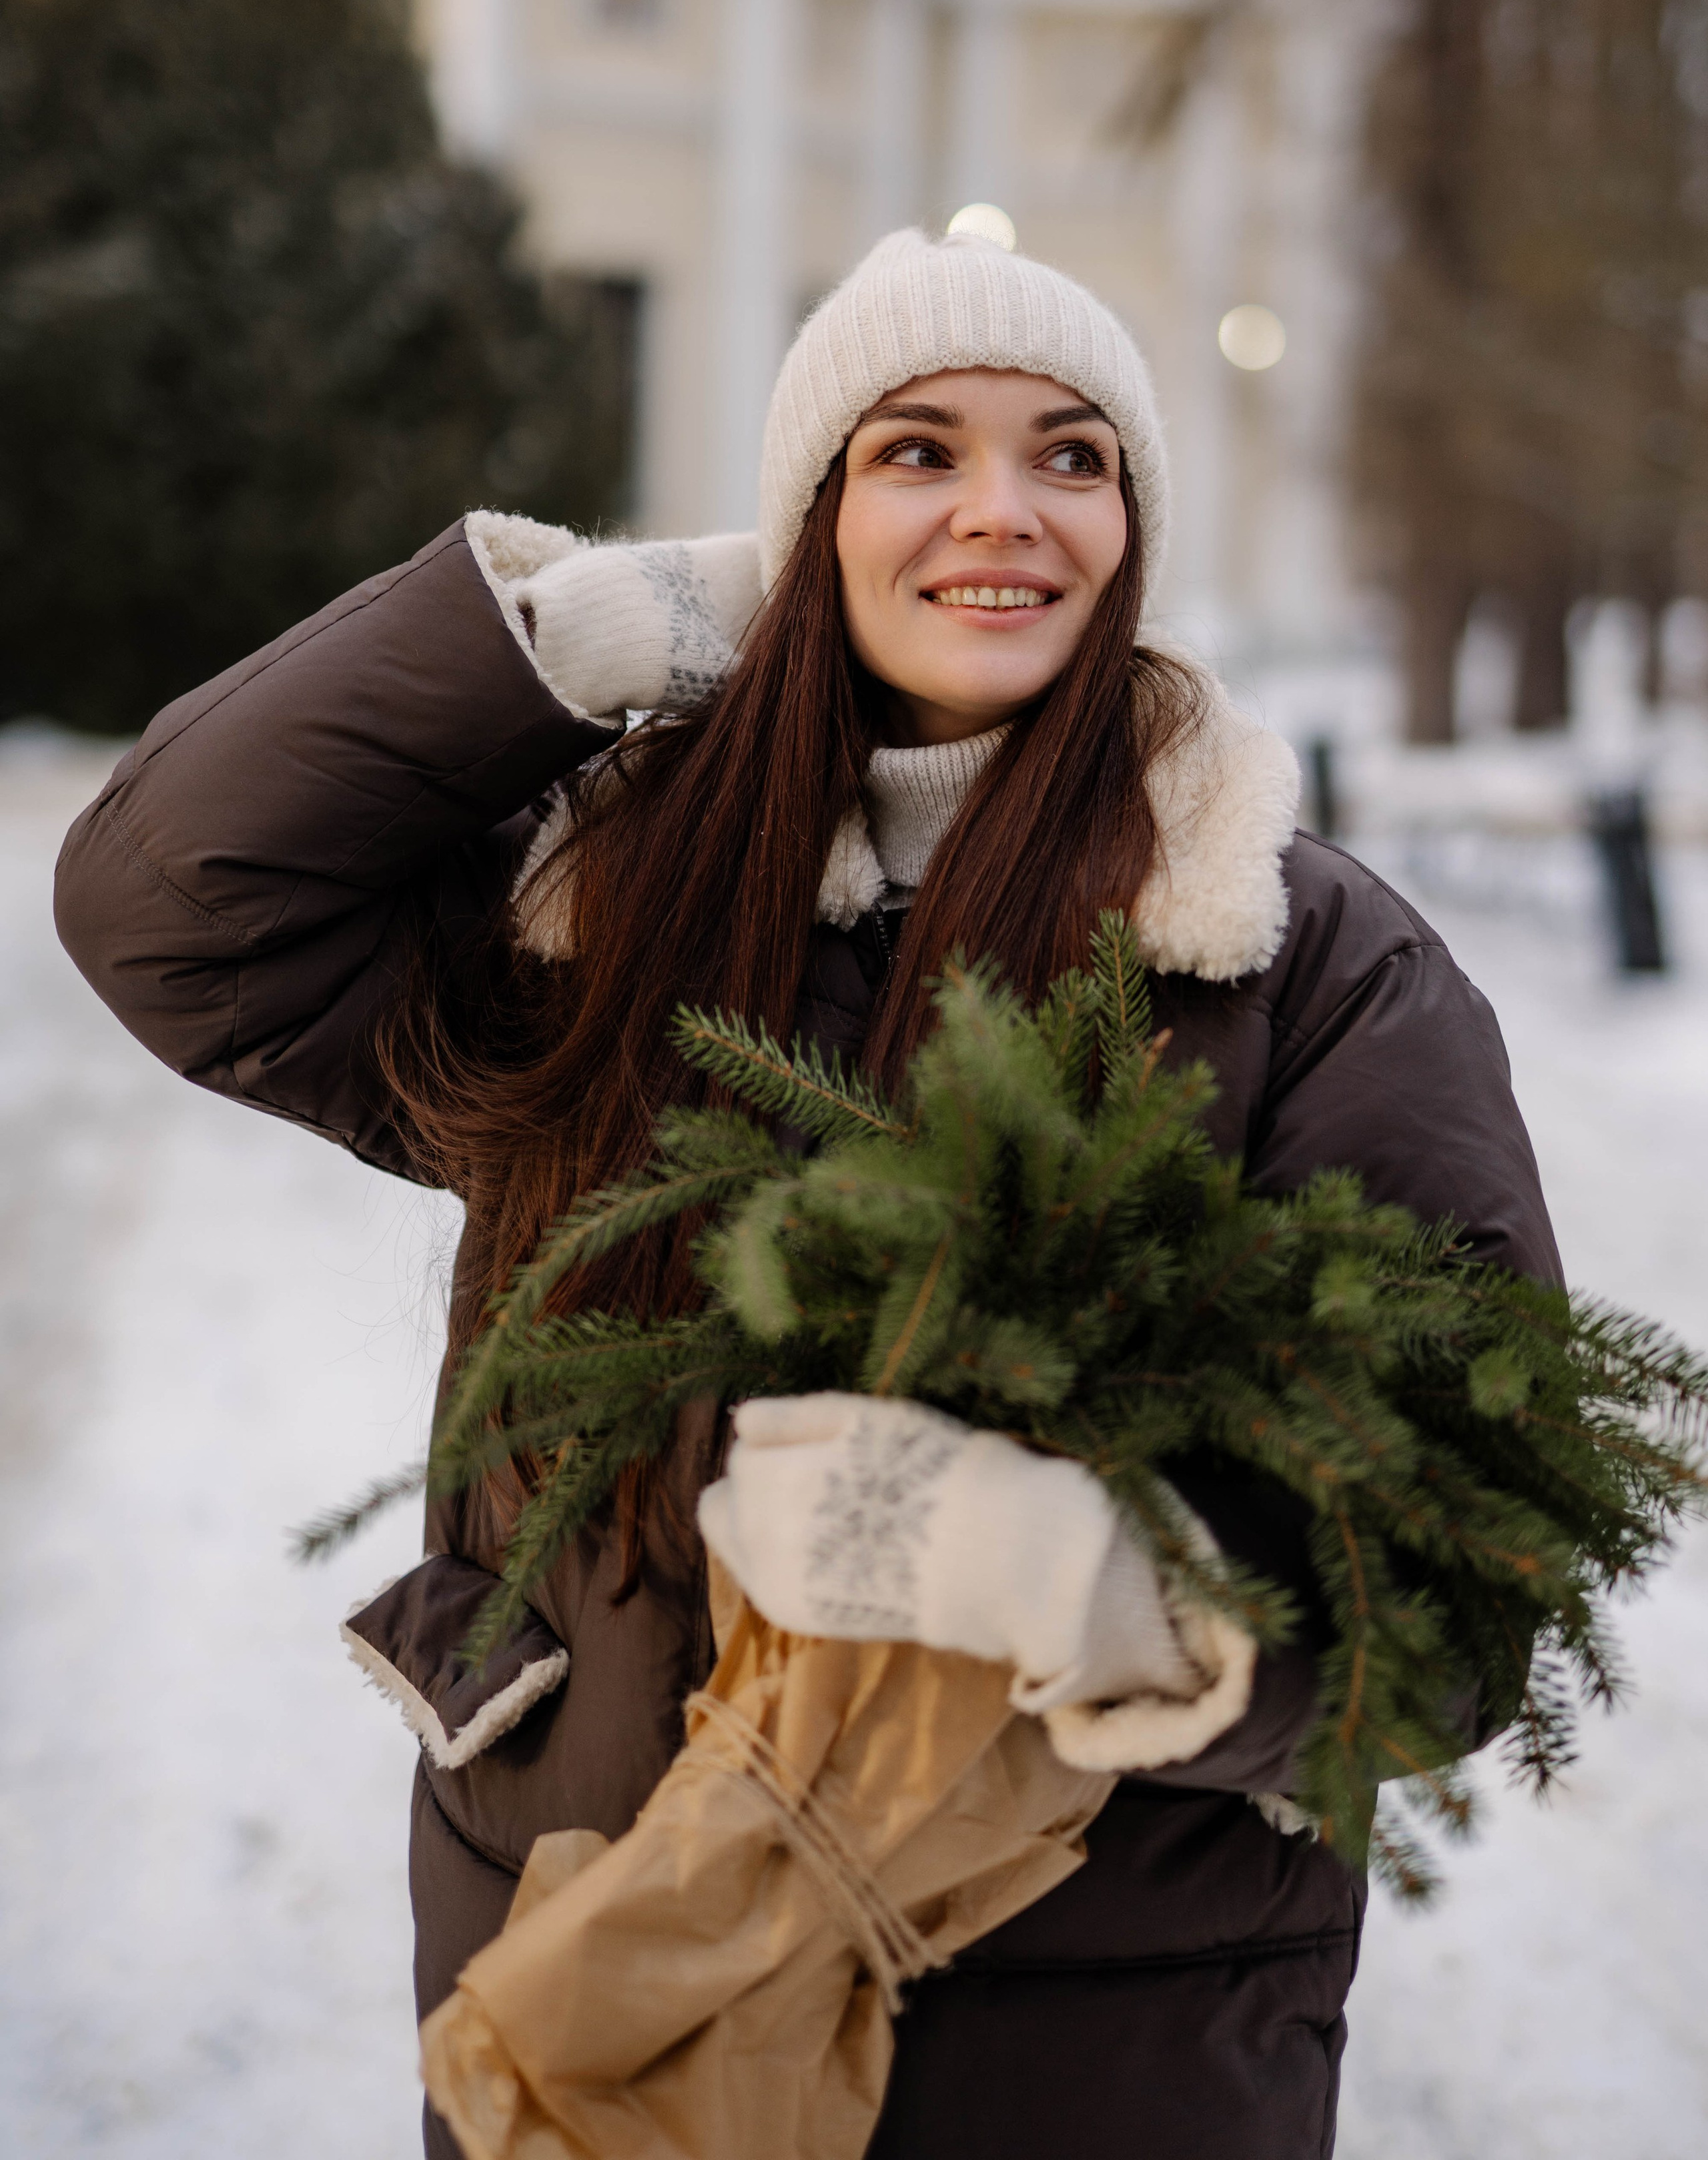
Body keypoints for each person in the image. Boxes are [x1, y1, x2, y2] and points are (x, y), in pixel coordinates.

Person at [56, 227, 1561, 2160]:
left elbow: (1463, 1578)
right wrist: (595, 633)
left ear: (1133, 523)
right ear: (808, 517)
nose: (1003, 513)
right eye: (913, 453)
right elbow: (172, 904)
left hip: (1097, 2070)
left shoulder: (1301, 963)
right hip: (598, 1990)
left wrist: (1094, 1587)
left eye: (1074, 455)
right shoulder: (603, 910)